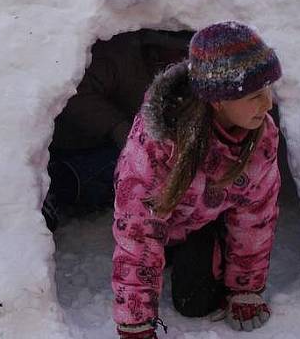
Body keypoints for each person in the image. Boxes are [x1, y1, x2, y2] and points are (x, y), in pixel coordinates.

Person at [112, 21, 283, 338]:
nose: (269, 104)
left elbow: (255, 217)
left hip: (201, 222)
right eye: (256, 95)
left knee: (195, 302)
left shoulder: (262, 137)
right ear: (218, 100)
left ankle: (214, 246)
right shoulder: (158, 143)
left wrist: (244, 288)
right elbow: (138, 230)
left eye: (270, 89)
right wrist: (135, 322)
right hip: (163, 223)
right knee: (149, 258)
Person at [43, 31, 190, 231]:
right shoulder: (119, 57)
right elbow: (74, 95)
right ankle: (51, 190)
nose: (186, 59)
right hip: (77, 143)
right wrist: (117, 125)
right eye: (181, 51)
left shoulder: (182, 76)